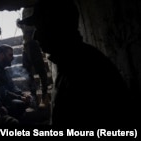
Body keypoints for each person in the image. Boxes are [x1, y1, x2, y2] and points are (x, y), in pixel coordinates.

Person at [18, 0, 136, 128]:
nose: (35, 36)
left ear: (57, 27)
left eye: (40, 27)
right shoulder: (71, 63)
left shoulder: (86, 69)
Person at [17, 7, 50, 107]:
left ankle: (44, 97)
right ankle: (34, 97)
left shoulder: (33, 7)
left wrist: (21, 24)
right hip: (26, 45)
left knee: (41, 71)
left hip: (33, 44)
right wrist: (19, 24)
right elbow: (25, 25)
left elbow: (32, 25)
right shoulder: (24, 10)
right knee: (27, 71)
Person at [0, 44, 33, 120]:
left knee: (29, 101)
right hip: (0, 102)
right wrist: (20, 97)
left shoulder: (5, 70)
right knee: (20, 104)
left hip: (7, 98)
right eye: (10, 55)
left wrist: (22, 93)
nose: (13, 58)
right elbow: (2, 92)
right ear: (1, 55)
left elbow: (12, 86)